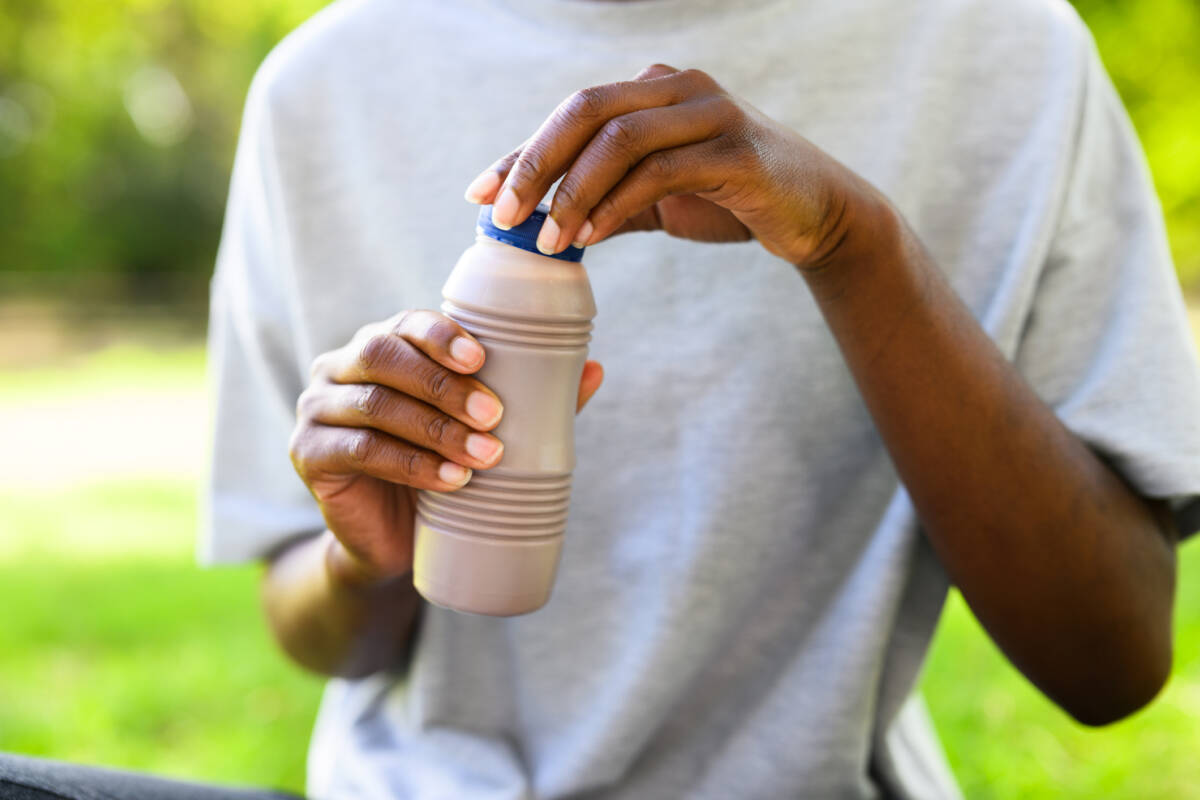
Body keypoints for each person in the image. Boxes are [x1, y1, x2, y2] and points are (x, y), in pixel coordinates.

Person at [4, 0, 1199, 798]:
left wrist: (852, 242)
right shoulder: (325, 80)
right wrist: (363, 552)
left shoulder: (1005, 48)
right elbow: (319, 632)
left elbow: (1114, 663)